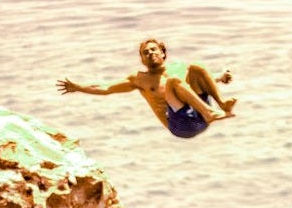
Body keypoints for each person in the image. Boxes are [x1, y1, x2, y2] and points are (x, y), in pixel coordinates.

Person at [57, 38, 236, 139]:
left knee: (197, 67)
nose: (150, 53)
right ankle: (210, 112)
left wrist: (220, 77)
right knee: (173, 82)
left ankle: (221, 105)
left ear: (163, 53)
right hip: (182, 126)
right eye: (145, 52)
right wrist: (78, 87)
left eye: (153, 49)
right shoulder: (139, 79)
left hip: (200, 120)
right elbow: (106, 87)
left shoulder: (181, 67)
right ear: (142, 60)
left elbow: (200, 83)